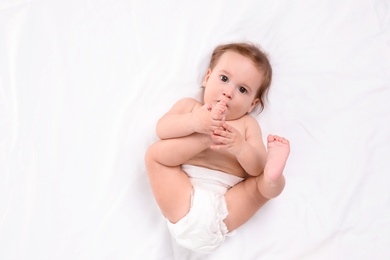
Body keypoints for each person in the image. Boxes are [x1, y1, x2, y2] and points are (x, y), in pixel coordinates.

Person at [144, 42, 290, 254]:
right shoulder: (191, 107)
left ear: (252, 104)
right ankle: (203, 140)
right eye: (224, 79)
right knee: (155, 155)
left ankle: (273, 178)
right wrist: (195, 124)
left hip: (226, 204)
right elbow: (162, 129)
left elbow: (256, 167)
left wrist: (240, 147)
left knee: (263, 183)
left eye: (242, 89)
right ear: (207, 78)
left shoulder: (247, 125)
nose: (229, 92)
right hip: (183, 197)